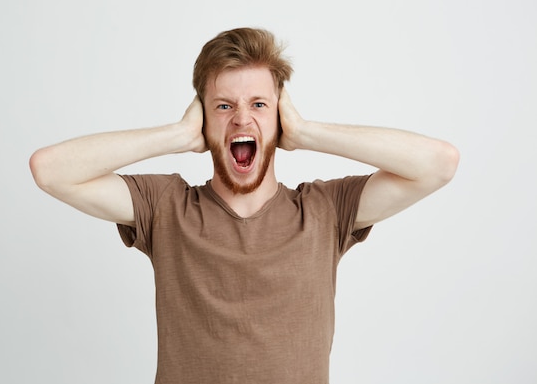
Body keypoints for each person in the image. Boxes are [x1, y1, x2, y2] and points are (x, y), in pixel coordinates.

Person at [29, 27, 459, 384]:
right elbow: (50, 170)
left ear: (278, 117)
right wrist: (177, 136)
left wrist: (308, 132)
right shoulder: (164, 206)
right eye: (223, 106)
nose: (240, 119)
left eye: (258, 104)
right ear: (203, 117)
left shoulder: (326, 210)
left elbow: (439, 164)